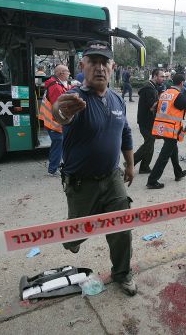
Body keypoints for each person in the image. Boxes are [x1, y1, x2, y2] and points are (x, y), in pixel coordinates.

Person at [50, 40, 137, 296]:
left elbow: (126, 133)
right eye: (93, 62)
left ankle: (122, 273)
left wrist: (130, 165)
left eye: (104, 62)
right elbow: (60, 113)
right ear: (82, 65)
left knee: (121, 227)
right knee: (73, 237)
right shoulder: (75, 98)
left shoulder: (117, 100)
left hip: (113, 178)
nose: (99, 68)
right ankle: (74, 241)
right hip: (81, 183)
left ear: (113, 67)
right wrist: (61, 110)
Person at [147, 73, 186, 189]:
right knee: (164, 156)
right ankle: (152, 180)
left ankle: (178, 173)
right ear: (182, 83)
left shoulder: (165, 93)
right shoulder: (178, 96)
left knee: (173, 150)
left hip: (162, 128)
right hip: (171, 130)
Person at [39, 64, 71, 176]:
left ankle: (56, 165)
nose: (69, 73)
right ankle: (52, 170)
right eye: (67, 71)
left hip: (53, 121)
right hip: (54, 122)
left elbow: (65, 91)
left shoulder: (57, 84)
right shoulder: (56, 87)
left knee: (59, 143)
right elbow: (59, 106)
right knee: (58, 143)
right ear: (61, 73)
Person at [133, 68, 165, 174]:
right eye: (161, 76)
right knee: (150, 141)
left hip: (150, 120)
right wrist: (163, 101)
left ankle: (144, 167)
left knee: (150, 142)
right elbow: (152, 107)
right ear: (155, 76)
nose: (163, 79)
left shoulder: (153, 87)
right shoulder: (149, 89)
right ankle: (131, 161)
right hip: (145, 121)